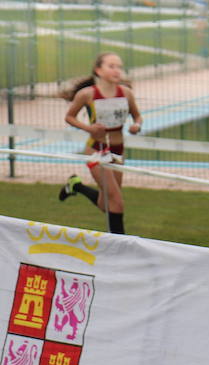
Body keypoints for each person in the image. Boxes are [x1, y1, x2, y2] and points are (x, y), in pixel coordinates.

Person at [58, 52, 142, 236]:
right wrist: (89, 128)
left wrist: (136, 126)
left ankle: (76, 186)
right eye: (111, 66)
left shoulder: (126, 93)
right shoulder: (87, 94)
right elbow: (69, 117)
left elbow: (137, 116)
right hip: (97, 150)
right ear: (98, 70)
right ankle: (119, 245)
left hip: (118, 151)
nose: (117, 70)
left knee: (107, 204)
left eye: (119, 67)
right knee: (117, 202)